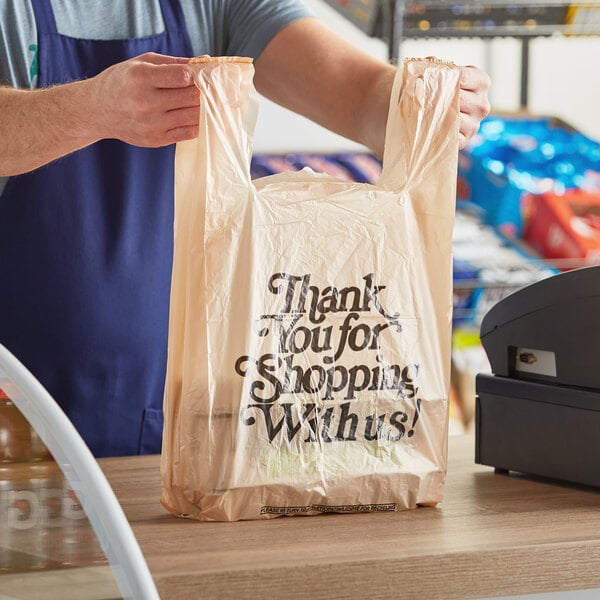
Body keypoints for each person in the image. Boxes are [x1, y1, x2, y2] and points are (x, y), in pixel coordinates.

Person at [0, 0, 490, 458]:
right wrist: (91, 109)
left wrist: (419, 103)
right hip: (11, 409)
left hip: (162, 408)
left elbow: (358, 94)